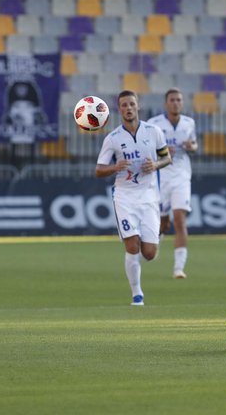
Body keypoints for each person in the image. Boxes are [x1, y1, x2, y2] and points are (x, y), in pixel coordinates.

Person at [96, 90, 171, 306]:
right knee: (132, 247)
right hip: (124, 197)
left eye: (131, 104)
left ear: (138, 106)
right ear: (119, 109)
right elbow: (99, 170)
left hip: (149, 196)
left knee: (149, 253)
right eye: (124, 105)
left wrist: (156, 165)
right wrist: (115, 167)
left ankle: (152, 241)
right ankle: (137, 294)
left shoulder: (154, 131)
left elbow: (167, 158)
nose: (128, 108)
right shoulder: (113, 138)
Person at [148, 88, 197, 279]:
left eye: (179, 99)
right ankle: (156, 242)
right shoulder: (154, 124)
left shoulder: (188, 123)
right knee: (162, 222)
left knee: (179, 219)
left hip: (181, 175)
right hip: (161, 175)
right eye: (172, 100)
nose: (176, 103)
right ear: (166, 103)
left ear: (182, 103)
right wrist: (162, 150)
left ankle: (178, 268)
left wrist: (190, 147)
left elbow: (194, 145)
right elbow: (147, 148)